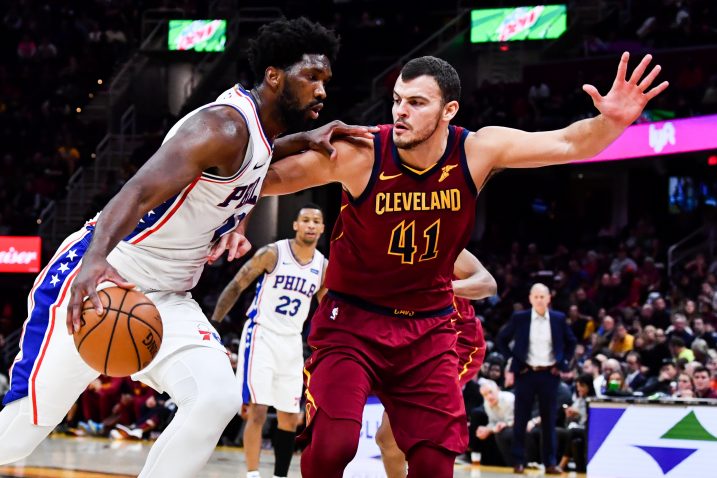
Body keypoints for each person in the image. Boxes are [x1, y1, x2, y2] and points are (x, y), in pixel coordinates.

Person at [261, 52, 667, 477]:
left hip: (427, 328)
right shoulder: (362, 151)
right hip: (354, 320)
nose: (401, 111)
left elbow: (567, 142)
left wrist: (612, 123)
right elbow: (268, 179)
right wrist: (229, 220)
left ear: (448, 110)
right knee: (333, 446)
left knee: (436, 463)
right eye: (398, 99)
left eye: (417, 102)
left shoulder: (476, 149)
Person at [0, 17, 375, 477]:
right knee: (18, 433)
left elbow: (257, 156)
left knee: (216, 397)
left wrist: (299, 142)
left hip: (169, 298)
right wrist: (94, 262)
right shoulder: (221, 126)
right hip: (106, 279)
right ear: (274, 76)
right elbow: (134, 192)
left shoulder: (259, 132)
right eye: (311, 77)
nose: (322, 90)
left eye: (326, 81)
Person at [211, 204, 328, 478]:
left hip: (291, 343)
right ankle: (253, 474)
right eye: (306, 220)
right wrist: (214, 324)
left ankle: (280, 476)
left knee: (289, 416)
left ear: (322, 229)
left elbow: (326, 310)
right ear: (296, 225)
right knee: (258, 409)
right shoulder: (273, 253)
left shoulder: (323, 267)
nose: (311, 225)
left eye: (316, 221)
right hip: (261, 334)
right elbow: (237, 285)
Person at [375, 249, 495, 478]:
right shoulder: (384, 244)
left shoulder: (443, 239)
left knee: (423, 434)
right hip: (410, 343)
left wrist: (442, 288)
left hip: (456, 343)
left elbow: (488, 284)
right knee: (387, 440)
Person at [496, 283, 577, 474]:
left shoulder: (558, 318)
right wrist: (513, 359)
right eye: (536, 296)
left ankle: (549, 463)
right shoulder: (520, 318)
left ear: (549, 298)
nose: (540, 300)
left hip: (549, 374)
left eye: (543, 296)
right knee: (521, 417)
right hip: (526, 373)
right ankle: (518, 461)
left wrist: (562, 362)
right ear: (530, 298)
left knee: (549, 420)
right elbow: (502, 339)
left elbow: (571, 341)